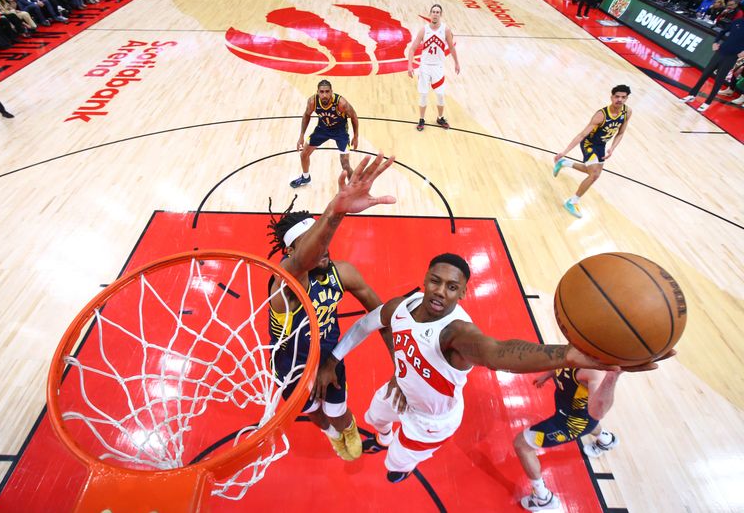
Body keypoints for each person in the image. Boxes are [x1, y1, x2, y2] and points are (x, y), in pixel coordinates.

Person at [315, 253, 666, 484]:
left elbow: (498, 353)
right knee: (376, 419)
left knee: (395, 464)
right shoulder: (402, 306)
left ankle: (402, 463)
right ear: (425, 278)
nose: (440, 292)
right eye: (435, 281)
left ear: (463, 293)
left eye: (452, 287)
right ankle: (386, 434)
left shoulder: (458, 333)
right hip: (399, 390)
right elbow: (366, 324)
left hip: (432, 419)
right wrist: (334, 360)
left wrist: (568, 355)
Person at [269, 154, 395, 461]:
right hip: (290, 366)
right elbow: (303, 261)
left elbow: (382, 317)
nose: (321, 246)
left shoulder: (344, 273)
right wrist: (334, 213)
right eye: (309, 241)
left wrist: (399, 366)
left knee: (339, 412)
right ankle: (330, 433)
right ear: (290, 251)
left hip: (328, 354)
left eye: (320, 237)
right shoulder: (285, 285)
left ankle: (344, 429)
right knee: (314, 413)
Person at [513, 368, 623, 511]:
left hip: (570, 425)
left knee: (521, 445)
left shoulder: (596, 373)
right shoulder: (577, 349)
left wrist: (612, 377)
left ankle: (542, 498)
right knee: (586, 420)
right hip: (573, 413)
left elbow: (598, 412)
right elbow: (562, 361)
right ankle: (607, 441)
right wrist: (548, 375)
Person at [552, 85, 632, 218]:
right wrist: (564, 151)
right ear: (611, 97)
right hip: (589, 143)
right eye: (617, 96)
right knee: (594, 175)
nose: (620, 100)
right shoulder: (601, 115)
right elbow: (582, 135)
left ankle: (565, 163)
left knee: (593, 173)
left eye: (623, 97)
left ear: (627, 98)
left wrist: (612, 148)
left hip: (601, 144)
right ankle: (572, 202)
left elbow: (620, 133)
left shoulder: (627, 112)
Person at [291, 79, 359, 188]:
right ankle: (305, 177)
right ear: (317, 92)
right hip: (322, 129)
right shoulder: (312, 102)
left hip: (340, 131)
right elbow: (306, 115)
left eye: (327, 91)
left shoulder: (341, 103)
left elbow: (354, 116)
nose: (324, 95)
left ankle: (354, 187)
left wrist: (356, 136)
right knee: (304, 154)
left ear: (331, 92)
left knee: (345, 163)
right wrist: (301, 136)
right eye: (322, 92)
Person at [406, 3, 460, 131]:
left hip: (438, 67)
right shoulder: (424, 30)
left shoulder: (446, 30)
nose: (435, 14)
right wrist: (410, 65)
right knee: (423, 94)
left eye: (437, 12)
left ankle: (440, 117)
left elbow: (451, 48)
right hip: (425, 67)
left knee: (440, 94)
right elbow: (412, 49)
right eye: (433, 12)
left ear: (440, 15)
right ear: (430, 14)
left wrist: (457, 63)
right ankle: (421, 119)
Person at [681, 15, 744, 112]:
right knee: (705, 74)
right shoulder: (737, 22)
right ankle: (691, 95)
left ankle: (707, 102)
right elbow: (722, 32)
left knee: (719, 80)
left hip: (732, 57)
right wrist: (715, 42)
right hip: (720, 52)